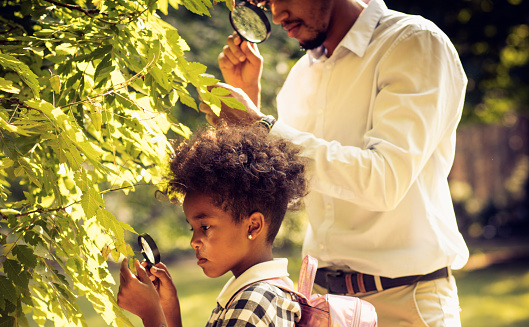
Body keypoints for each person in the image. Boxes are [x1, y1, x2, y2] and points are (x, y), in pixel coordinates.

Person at [199, 0, 470, 325]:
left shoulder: (414, 42)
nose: (276, 14)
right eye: (267, 3)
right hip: (324, 306)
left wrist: (263, 127)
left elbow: (384, 181)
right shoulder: (300, 77)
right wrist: (250, 111)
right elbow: (292, 193)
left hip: (407, 305)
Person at [117, 125, 307, 327]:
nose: (193, 242)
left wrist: (150, 313)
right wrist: (168, 307)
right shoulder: (255, 293)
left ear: (252, 227)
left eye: (205, 227)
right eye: (193, 228)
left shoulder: (252, 303)